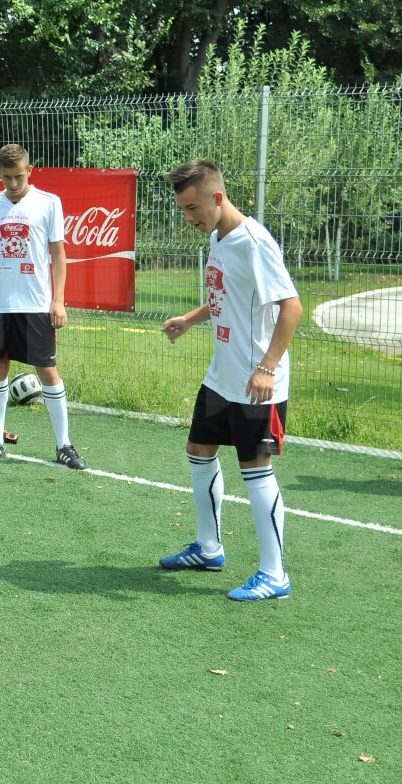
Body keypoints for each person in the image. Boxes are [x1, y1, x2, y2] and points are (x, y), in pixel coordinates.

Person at [159, 160, 302, 601]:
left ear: (217, 198)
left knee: (255, 469)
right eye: (183, 209)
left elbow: (291, 307)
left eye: (193, 207)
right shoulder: (218, 236)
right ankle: (208, 547)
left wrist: (267, 367)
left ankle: (275, 573)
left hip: (256, 382)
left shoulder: (254, 242)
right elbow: (226, 294)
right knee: (198, 451)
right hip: (223, 375)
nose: (189, 218)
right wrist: (190, 318)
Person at [0, 143, 85, 469]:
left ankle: (64, 446)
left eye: (19, 176)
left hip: (35, 305)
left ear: (30, 171)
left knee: (48, 371)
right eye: (6, 178)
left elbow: (58, 254)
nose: (13, 183)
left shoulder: (48, 203)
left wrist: (57, 300)